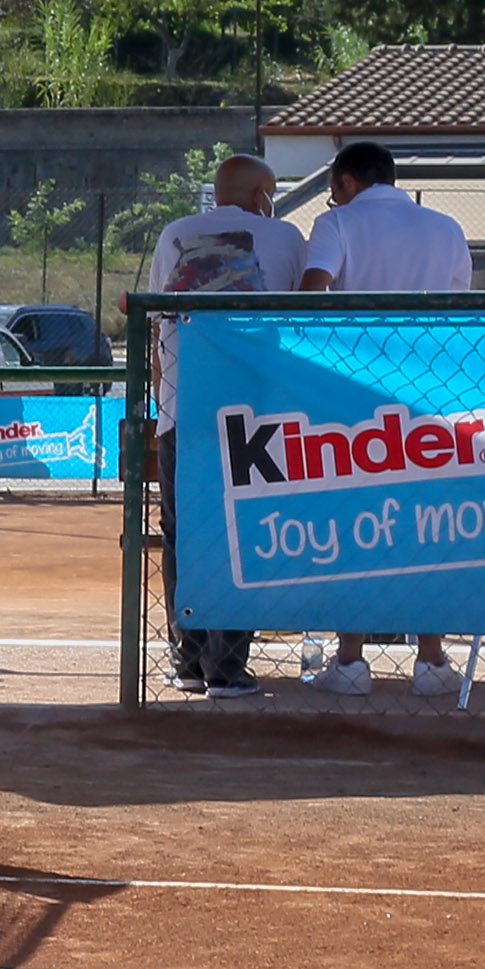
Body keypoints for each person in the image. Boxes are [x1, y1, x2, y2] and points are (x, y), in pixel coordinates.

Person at [298, 139, 474, 698]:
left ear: (347, 182)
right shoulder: (446, 227)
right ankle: (431, 660)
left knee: (353, 523)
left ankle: (350, 660)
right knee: (427, 523)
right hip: (431, 394)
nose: (331, 198)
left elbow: (311, 293)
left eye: (332, 189)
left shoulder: (339, 224)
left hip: (354, 394)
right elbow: (459, 309)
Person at [145, 153, 306, 699]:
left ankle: (186, 660)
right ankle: (228, 667)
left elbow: (152, 322)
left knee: (181, 530)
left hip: (180, 403)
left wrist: (161, 400)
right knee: (244, 528)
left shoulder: (174, 233)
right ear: (262, 193)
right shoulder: (284, 237)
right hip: (250, 410)